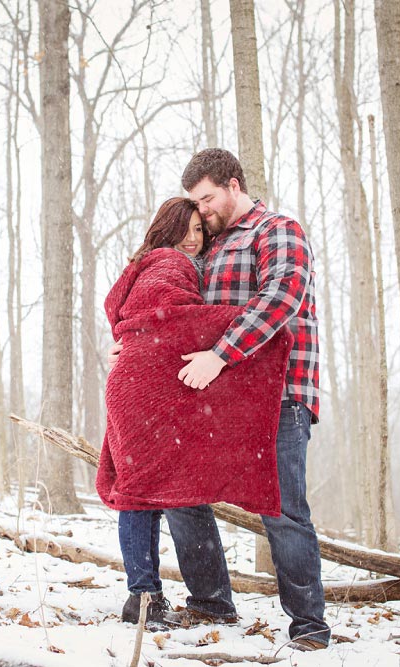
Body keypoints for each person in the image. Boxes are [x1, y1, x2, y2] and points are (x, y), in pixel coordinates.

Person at [110, 149, 330, 651]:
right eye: (194, 202)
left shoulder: (277, 230)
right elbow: (173, 312)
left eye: (207, 198)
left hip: (279, 394)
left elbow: (282, 297)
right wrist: (134, 339)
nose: (201, 210)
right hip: (212, 397)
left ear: (233, 185)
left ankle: (309, 626)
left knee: (283, 509)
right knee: (183, 497)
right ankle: (211, 603)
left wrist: (220, 353)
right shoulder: (202, 247)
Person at [100, 197, 292, 630]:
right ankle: (145, 596)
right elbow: (174, 319)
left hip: (142, 387)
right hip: (146, 391)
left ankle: (148, 596)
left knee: (141, 491)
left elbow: (131, 316)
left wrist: (127, 341)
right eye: (184, 228)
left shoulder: (147, 264)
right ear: (165, 230)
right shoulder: (170, 262)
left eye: (199, 230)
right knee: (143, 494)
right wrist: (245, 324)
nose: (193, 238)